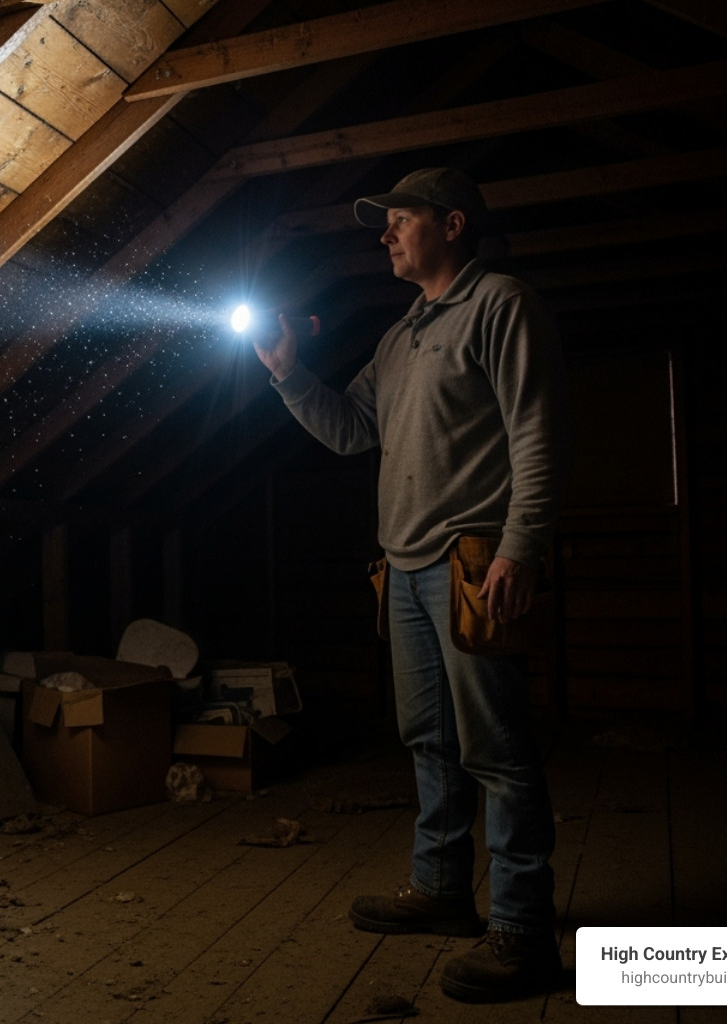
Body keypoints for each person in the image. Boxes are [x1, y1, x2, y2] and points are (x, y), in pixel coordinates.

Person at [253, 167, 568, 1003]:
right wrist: (288, 374)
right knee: (428, 737)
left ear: (453, 224)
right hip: (402, 566)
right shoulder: (400, 338)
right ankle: (440, 891)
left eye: (401, 219)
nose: (386, 235)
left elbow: (537, 433)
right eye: (384, 224)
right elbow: (354, 430)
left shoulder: (500, 305)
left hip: (474, 563)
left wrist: (521, 548)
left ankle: (524, 932)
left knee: (496, 749)